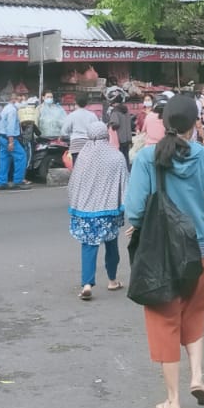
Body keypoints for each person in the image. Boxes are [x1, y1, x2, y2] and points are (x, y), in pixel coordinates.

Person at [124, 95, 204, 408]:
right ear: (196, 123)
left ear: (164, 122)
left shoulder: (146, 158)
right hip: (199, 251)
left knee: (165, 323)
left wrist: (141, 227)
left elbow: (135, 210)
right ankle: (197, 376)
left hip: (161, 254)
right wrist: (201, 222)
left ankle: (173, 400)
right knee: (194, 317)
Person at [67, 118, 127, 300]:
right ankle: (112, 279)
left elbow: (74, 183)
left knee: (88, 246)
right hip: (108, 210)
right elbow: (124, 182)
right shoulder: (116, 156)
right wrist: (123, 204)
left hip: (85, 209)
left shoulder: (83, 156)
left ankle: (87, 283)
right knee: (111, 244)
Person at [0, 92, 30, 191]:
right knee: (21, 156)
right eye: (21, 100)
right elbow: (10, 126)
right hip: (9, 138)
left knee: (4, 159)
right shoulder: (12, 111)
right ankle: (18, 181)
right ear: (15, 100)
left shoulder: (6, 108)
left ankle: (1, 182)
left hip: (2, 137)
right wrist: (11, 141)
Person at [104, 87, 134, 161]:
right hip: (127, 140)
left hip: (119, 141)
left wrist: (109, 125)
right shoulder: (126, 110)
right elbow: (131, 124)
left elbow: (115, 125)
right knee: (126, 159)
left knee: (119, 160)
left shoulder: (115, 111)